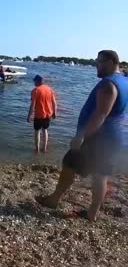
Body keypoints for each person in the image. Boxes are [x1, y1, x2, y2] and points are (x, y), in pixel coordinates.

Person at [36, 50, 128, 222]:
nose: (96, 65)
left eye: (99, 62)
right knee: (101, 175)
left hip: (97, 137)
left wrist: (82, 137)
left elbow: (101, 114)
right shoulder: (125, 81)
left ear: (109, 62)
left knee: (69, 163)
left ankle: (53, 200)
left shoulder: (109, 84)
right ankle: (91, 215)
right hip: (113, 137)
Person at [27, 75, 57, 153]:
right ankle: (44, 149)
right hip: (48, 115)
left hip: (39, 115)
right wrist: (54, 112)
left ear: (37, 81)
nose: (34, 82)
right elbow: (54, 102)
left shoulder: (35, 90)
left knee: (37, 132)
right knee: (45, 130)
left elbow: (33, 104)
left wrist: (29, 116)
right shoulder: (50, 89)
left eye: (34, 81)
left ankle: (37, 150)